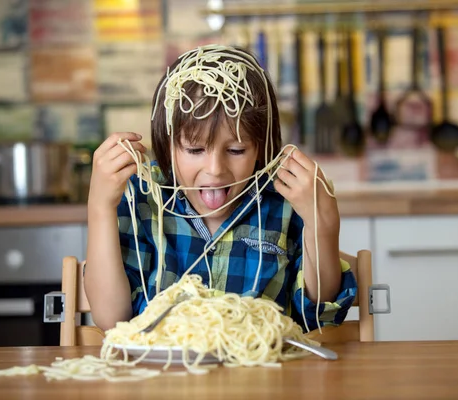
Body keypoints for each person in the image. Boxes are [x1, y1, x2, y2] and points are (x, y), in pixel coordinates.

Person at [84, 44, 357, 333]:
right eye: (195, 149)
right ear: (168, 146)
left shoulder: (285, 200)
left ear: (261, 147)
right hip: (160, 375)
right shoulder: (142, 198)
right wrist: (99, 208)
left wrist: (322, 226)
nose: (215, 170)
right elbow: (111, 319)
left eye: (237, 150)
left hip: (266, 374)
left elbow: (316, 312)